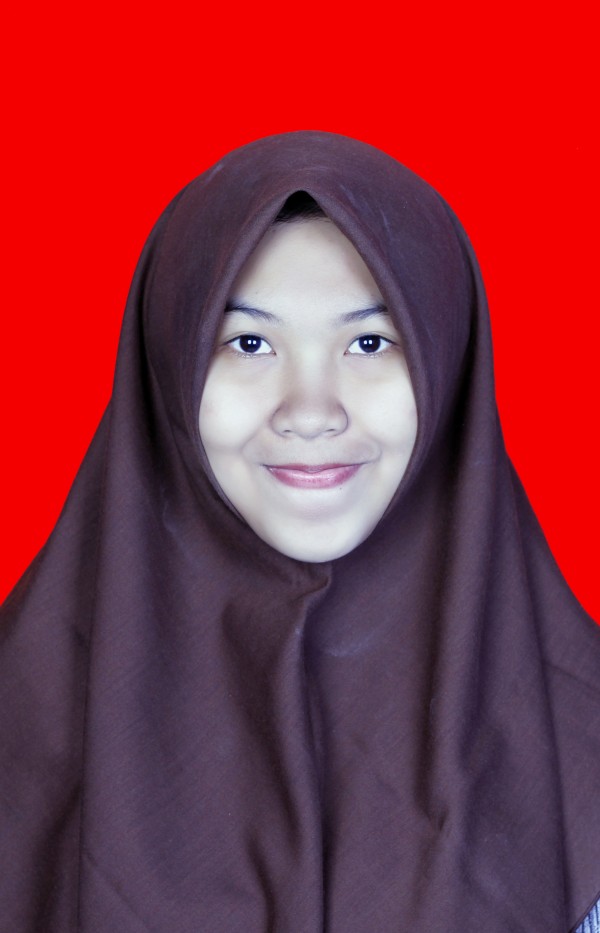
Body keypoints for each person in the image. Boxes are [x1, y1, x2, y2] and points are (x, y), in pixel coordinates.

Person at [0, 131, 598, 932]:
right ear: (168, 369)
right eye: (249, 343)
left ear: (447, 368)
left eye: (370, 342)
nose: (311, 410)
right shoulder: (20, 718)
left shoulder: (582, 746)